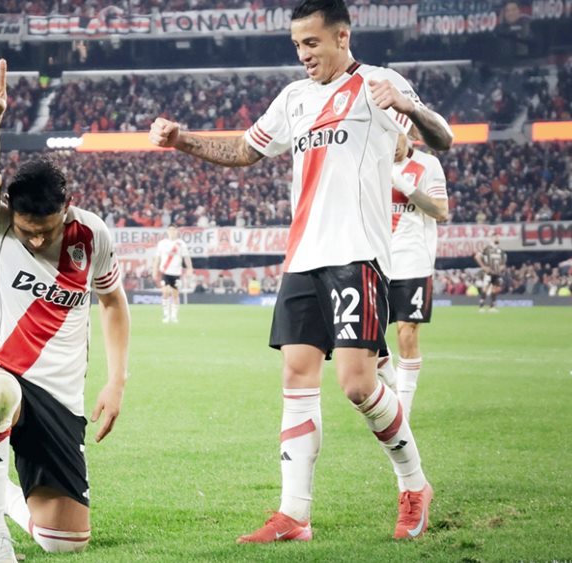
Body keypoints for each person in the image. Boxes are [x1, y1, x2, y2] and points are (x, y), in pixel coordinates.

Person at [149, 0, 453, 543]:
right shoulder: (293, 98)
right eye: (296, 45)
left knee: (358, 385)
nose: (303, 54)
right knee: (296, 376)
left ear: (342, 36)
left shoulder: (378, 84)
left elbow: (443, 138)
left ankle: (415, 485)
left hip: (356, 254)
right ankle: (295, 514)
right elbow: (246, 149)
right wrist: (182, 141)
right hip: (302, 257)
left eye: (311, 43)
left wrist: (408, 104)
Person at [0, 59, 130, 563]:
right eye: (27, 229)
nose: (36, 239)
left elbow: (113, 302)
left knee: (65, 541)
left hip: (60, 397)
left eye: (46, 229)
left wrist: (116, 382)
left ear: (67, 208)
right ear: (11, 210)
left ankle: (0, 502)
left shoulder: (91, 235)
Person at [376, 134, 450, 420]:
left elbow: (441, 211)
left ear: (407, 134)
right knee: (366, 336)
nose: (392, 143)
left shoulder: (427, 165)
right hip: (375, 258)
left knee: (406, 333)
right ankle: (394, 383)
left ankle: (402, 412)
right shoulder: (371, 161)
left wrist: (405, 185)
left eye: (396, 135)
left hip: (413, 261)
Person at [152, 226, 193, 323]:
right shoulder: (162, 243)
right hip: (165, 272)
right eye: (170, 230)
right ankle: (166, 314)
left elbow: (186, 257)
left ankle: (174, 316)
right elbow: (157, 258)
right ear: (167, 231)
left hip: (176, 272)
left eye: (174, 230)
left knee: (175, 294)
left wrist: (190, 268)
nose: (172, 232)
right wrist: (154, 270)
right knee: (165, 292)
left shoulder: (181, 244)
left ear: (176, 231)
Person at [475, 238, 507, 312]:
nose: (497, 239)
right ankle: (481, 307)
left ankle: (492, 307)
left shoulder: (501, 251)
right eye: (495, 237)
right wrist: (483, 266)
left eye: (498, 237)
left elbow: (503, 263)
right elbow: (477, 257)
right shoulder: (487, 249)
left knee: (495, 289)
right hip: (489, 273)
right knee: (485, 288)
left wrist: (502, 267)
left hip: (497, 273)